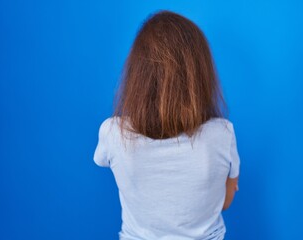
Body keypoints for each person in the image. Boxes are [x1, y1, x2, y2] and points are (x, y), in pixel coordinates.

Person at [93, 10, 240, 240]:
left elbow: (102, 160)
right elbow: (225, 201)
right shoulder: (222, 133)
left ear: (138, 75)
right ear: (200, 77)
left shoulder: (112, 133)